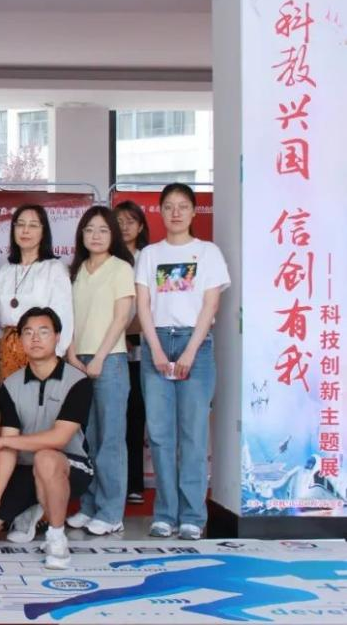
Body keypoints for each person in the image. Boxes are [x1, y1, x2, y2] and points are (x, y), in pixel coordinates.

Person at [0, 307, 93, 572]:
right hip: (24, 467)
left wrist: (5, 442)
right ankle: (31, 510)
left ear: (57, 337)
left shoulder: (78, 381)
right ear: (20, 340)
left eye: (43, 332)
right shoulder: (11, 385)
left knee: (45, 459)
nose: (35, 339)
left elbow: (59, 438)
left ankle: (56, 537)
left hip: (69, 465)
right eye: (28, 333)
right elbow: (8, 443)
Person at [135, 183, 229, 540]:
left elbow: (210, 304)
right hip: (157, 344)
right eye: (169, 206)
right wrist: (156, 351)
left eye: (183, 206)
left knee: (193, 435)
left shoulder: (208, 253)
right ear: (160, 211)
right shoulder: (149, 254)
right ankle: (165, 514)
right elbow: (143, 305)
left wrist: (190, 351)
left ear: (193, 211)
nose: (176, 213)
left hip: (196, 345)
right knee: (160, 435)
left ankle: (192, 515)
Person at [64, 206, 136, 536]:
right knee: (86, 438)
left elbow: (121, 319)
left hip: (110, 360)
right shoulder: (76, 270)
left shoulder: (121, 268)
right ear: (81, 234)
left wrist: (99, 358)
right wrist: (71, 355)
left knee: (110, 439)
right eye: (90, 229)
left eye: (103, 230)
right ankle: (89, 505)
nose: (96, 236)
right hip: (77, 360)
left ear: (113, 235)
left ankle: (111, 511)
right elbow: (68, 317)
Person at [0, 205, 73, 382]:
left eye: (33, 225)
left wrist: (55, 357)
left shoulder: (54, 269)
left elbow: (64, 318)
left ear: (44, 231)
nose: (25, 230)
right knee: (10, 398)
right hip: (8, 353)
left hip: (42, 351)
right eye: (20, 224)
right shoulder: (5, 271)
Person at [115, 200, 151, 505]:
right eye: (119, 221)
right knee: (111, 421)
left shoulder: (148, 258)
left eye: (130, 221)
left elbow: (150, 305)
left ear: (140, 226)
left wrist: (130, 334)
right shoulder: (107, 258)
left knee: (135, 417)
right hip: (108, 348)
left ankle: (134, 483)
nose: (124, 227)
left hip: (140, 349)